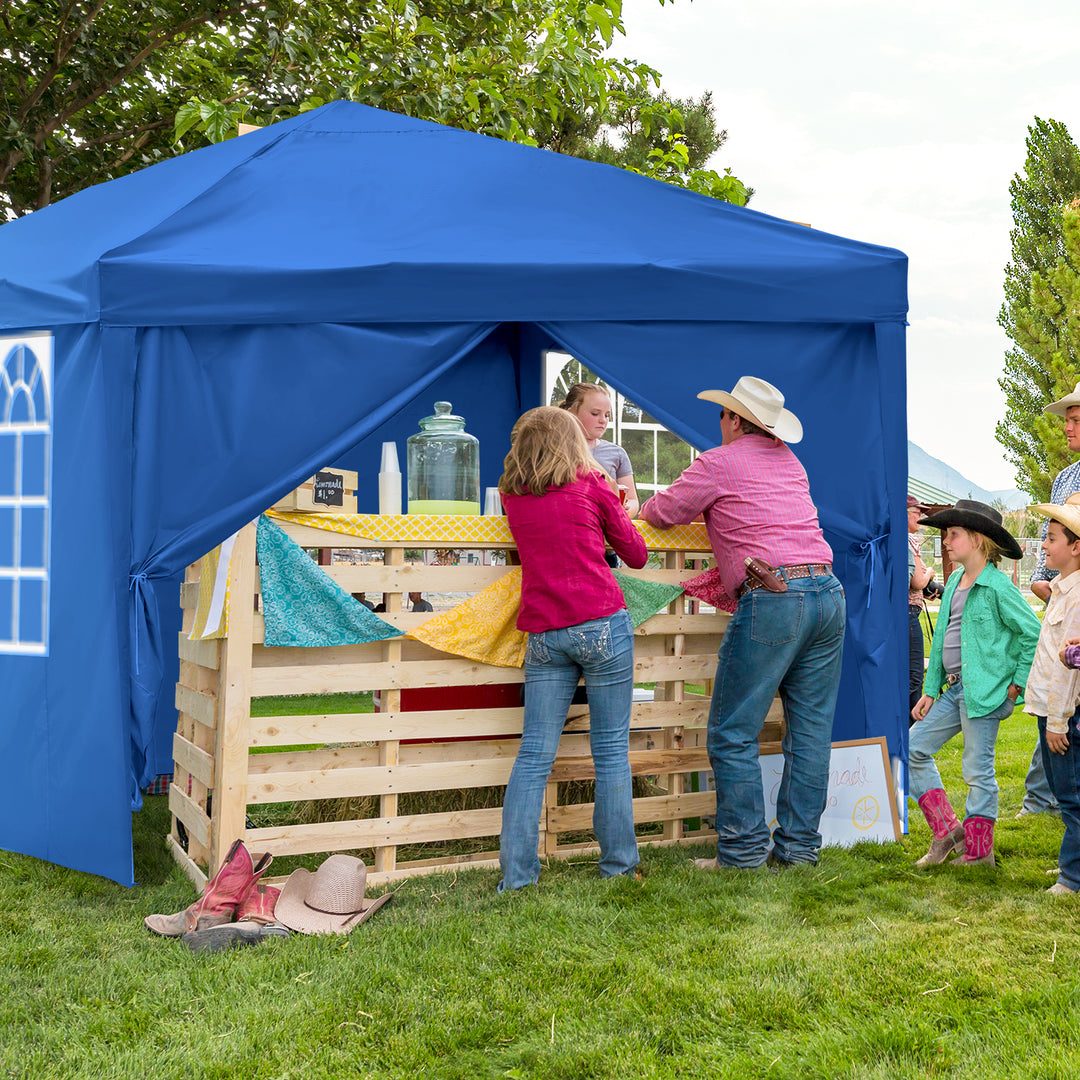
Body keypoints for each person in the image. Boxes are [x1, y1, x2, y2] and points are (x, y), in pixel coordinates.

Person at [639, 376, 845, 869]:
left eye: (722, 416)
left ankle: (743, 851)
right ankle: (797, 851)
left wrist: (636, 506)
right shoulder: (791, 463)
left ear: (734, 420)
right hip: (827, 592)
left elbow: (663, 513)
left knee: (733, 732)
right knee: (810, 733)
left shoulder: (717, 463)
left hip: (774, 594)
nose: (720, 424)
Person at [496, 406, 648, 889]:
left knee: (534, 755)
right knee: (610, 753)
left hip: (544, 630)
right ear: (573, 441)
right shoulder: (592, 484)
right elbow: (637, 556)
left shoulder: (511, 495)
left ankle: (517, 879)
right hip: (601, 620)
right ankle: (619, 868)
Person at [909, 501, 1040, 868]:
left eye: (953, 535)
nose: (946, 542)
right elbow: (945, 641)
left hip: (984, 694)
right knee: (912, 749)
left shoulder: (998, 586)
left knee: (977, 769)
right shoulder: (953, 581)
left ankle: (981, 853)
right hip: (953, 691)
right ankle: (948, 831)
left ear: (978, 540)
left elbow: (1032, 632)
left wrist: (1016, 684)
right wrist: (931, 690)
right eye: (945, 534)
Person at [1018, 382, 1080, 817]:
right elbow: (1050, 538)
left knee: (1065, 700)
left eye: (1076, 420)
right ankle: (1045, 797)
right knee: (1057, 691)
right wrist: (1044, 581)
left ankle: (1058, 798)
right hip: (1062, 594)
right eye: (1068, 420)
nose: (1068, 427)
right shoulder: (1065, 478)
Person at [1023, 493, 1080, 895]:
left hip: (1064, 714)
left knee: (1071, 796)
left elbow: (1068, 670)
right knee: (1067, 793)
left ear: (1076, 547)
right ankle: (1072, 861)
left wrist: (1058, 721)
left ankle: (1072, 876)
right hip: (1052, 711)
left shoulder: (1076, 597)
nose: (1044, 544)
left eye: (1052, 538)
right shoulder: (1062, 588)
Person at [559, 382, 639, 517]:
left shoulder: (617, 453)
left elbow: (632, 500)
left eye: (607, 415)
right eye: (595, 413)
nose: (603, 420)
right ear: (571, 413)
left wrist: (624, 512)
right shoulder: (555, 449)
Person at [907, 496, 935, 722]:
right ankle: (910, 727)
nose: (921, 517)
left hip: (900, 613)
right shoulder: (909, 540)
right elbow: (917, 581)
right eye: (917, 512)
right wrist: (930, 575)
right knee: (914, 675)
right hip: (908, 615)